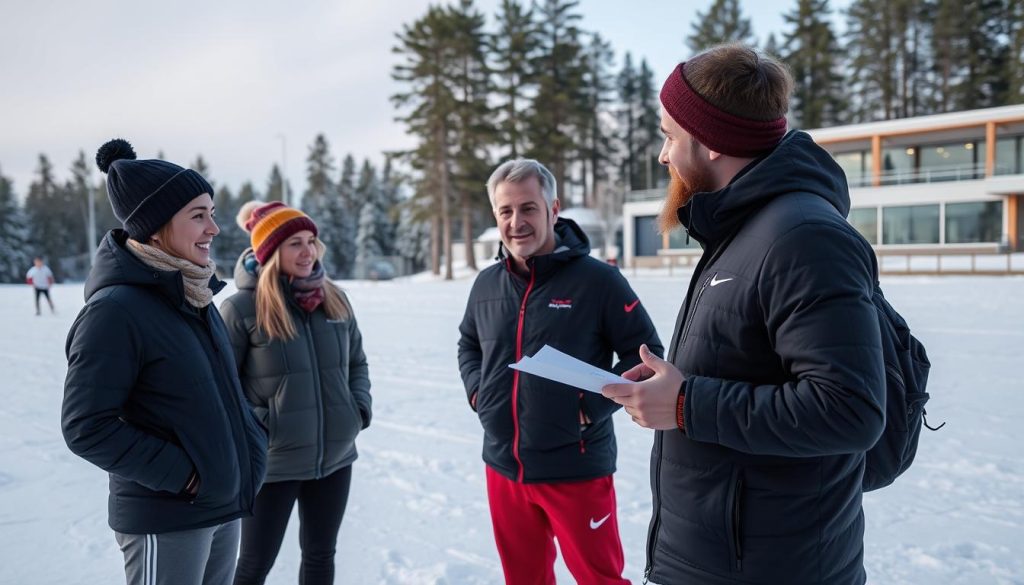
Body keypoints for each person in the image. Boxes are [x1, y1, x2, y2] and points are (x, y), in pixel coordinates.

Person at [600, 44, 886, 585]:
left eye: (669, 135)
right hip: (715, 557)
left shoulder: (803, 237)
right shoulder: (741, 228)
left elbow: (850, 409)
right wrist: (672, 388)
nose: (663, 155)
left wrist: (685, 403)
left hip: (773, 565)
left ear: (708, 142)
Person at [61, 138, 268, 585]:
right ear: (155, 227)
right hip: (166, 515)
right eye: (198, 215)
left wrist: (249, 442)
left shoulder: (194, 297)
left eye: (212, 213)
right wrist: (187, 475)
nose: (213, 228)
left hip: (221, 503)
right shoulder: (116, 310)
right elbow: (86, 426)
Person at [458, 159, 663, 585]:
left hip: (577, 467)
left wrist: (588, 408)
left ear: (553, 209)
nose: (517, 222)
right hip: (503, 467)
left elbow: (644, 355)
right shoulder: (486, 284)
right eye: (506, 211)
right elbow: (469, 344)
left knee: (599, 579)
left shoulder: (598, 281)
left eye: (528, 208)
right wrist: (480, 395)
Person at [222, 201, 372, 585]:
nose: (308, 252)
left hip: (335, 457)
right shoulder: (242, 309)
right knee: (255, 564)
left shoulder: (335, 299)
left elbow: (357, 363)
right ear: (270, 252)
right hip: (273, 463)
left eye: (311, 241)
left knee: (321, 556)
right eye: (294, 244)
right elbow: (223, 388)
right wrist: (262, 425)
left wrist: (357, 411)